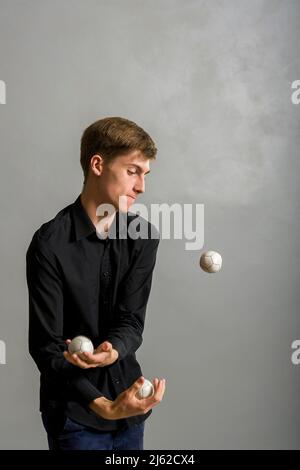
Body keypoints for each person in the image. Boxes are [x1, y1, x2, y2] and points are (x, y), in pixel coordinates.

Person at [26, 116, 166, 450]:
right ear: (98, 164)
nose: (141, 186)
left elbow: (131, 321)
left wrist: (113, 350)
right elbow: (46, 347)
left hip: (130, 405)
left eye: (145, 174)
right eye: (132, 171)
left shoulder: (143, 237)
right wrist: (104, 405)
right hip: (75, 416)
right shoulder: (49, 244)